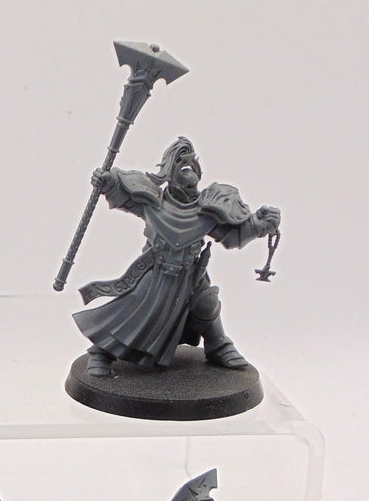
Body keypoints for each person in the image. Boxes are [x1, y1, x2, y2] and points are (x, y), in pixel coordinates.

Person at [74, 136, 280, 375]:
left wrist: (260, 224)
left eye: (193, 183)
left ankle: (218, 345)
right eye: (184, 181)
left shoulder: (207, 211)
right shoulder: (152, 202)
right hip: (156, 271)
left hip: (190, 274)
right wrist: (108, 182)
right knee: (134, 308)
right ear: (170, 178)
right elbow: (125, 196)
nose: (190, 189)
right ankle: (101, 352)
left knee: (207, 304)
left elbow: (232, 233)